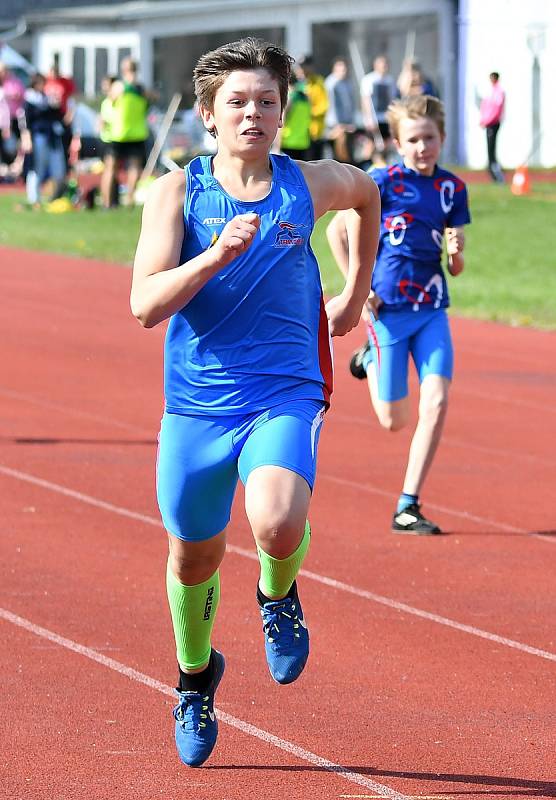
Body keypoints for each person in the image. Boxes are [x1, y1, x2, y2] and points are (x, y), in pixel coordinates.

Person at [130, 37, 379, 768]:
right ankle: (197, 677)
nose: (253, 114)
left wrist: (354, 294)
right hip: (198, 407)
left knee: (275, 520)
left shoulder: (305, 184)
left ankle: (277, 596)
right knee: (193, 554)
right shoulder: (178, 192)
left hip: (284, 390)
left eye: (267, 101)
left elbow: (366, 194)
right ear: (208, 113)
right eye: (237, 101)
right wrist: (213, 256)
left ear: (283, 112)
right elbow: (145, 303)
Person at [326, 95, 470, 536]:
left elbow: (456, 263)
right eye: (414, 139)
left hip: (431, 310)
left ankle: (408, 503)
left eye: (430, 138)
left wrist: (457, 255)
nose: (423, 147)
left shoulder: (452, 189)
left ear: (441, 138)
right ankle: (371, 359)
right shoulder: (380, 182)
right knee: (394, 420)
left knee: (437, 401)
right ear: (397, 142)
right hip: (387, 310)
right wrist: (359, 285)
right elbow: (336, 229)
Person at [101, 57, 150, 207]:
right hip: (135, 133)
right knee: (133, 168)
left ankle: (108, 204)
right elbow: (151, 100)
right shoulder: (141, 89)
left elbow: (109, 101)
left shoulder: (120, 86)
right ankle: (128, 200)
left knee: (111, 169)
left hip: (119, 133)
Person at [20, 73, 67, 206]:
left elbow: (57, 116)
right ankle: (34, 198)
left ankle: (57, 196)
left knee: (58, 167)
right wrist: (26, 137)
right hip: (38, 137)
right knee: (37, 167)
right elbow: (25, 121)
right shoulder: (29, 100)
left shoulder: (46, 99)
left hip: (52, 136)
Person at [294, 54, 329, 160]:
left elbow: (323, 106)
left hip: (313, 132)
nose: (302, 69)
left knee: (313, 164)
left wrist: (309, 112)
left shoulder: (318, 82)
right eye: (301, 66)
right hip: (297, 134)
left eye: (305, 66)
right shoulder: (295, 83)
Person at [360, 55, 397, 153]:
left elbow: (392, 100)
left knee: (386, 145)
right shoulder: (368, 79)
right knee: (370, 144)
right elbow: (365, 99)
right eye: (382, 64)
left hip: (385, 118)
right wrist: (368, 118)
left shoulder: (390, 80)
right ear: (375, 65)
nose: (384, 67)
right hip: (373, 118)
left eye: (386, 64)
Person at [324, 56, 357, 163]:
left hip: (346, 124)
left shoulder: (347, 83)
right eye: (341, 69)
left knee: (346, 156)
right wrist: (338, 125)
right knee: (336, 157)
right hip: (335, 125)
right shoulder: (331, 83)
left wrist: (351, 122)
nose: (343, 72)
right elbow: (332, 105)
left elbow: (351, 104)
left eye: (345, 69)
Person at [479, 72, 505, 184]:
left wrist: (487, 121)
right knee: (490, 150)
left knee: (491, 149)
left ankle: (495, 173)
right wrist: (483, 120)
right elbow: (485, 107)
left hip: (493, 123)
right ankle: (492, 170)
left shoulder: (498, 92)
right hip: (488, 123)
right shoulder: (490, 91)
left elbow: (496, 110)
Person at [279, 72, 312, 160]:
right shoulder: (306, 98)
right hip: (303, 142)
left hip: (288, 141)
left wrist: (276, 145)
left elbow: (282, 120)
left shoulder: (290, 98)